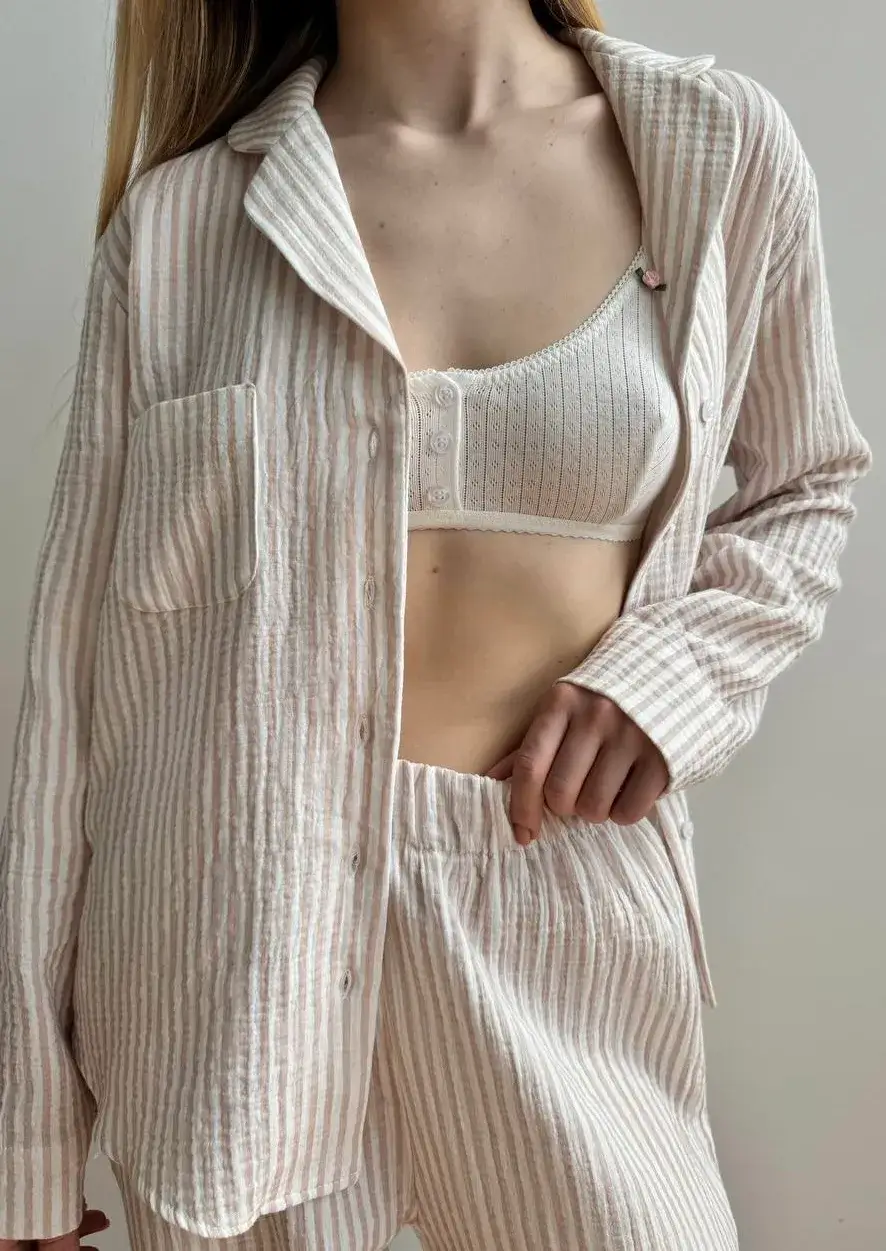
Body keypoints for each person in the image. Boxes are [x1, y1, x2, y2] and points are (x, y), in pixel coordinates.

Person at [0, 0, 873, 1247]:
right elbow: (70, 691)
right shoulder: (181, 227)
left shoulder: (709, 150)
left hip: (560, 917)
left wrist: (665, 681)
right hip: (230, 968)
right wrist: (27, 1143)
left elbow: (803, 485)